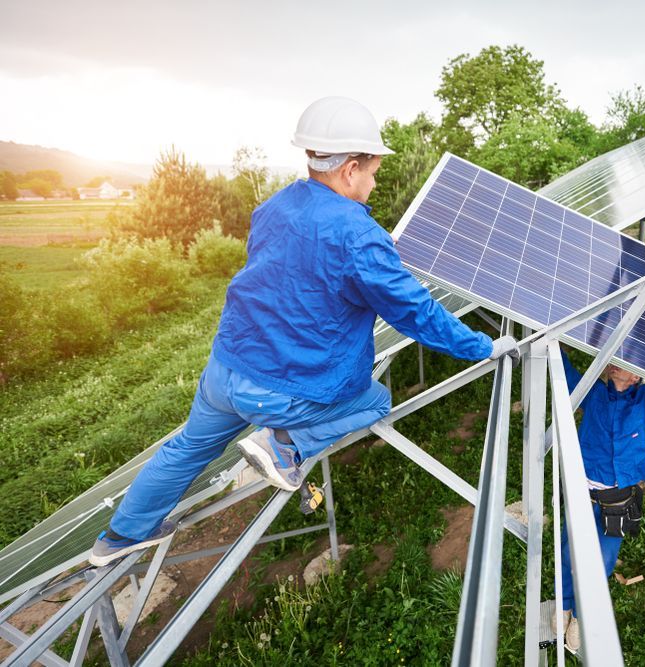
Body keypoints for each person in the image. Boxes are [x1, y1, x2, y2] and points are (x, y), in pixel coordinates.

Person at [89, 96, 520, 567]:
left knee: (188, 447)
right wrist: (482, 346)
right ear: (350, 169)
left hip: (227, 367)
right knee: (375, 399)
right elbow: (415, 312)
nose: (374, 182)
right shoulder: (357, 235)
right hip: (285, 391)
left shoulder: (275, 207)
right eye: (374, 171)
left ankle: (119, 537)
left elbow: (288, 274)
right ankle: (283, 444)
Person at [555, 348, 645, 652]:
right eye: (616, 360)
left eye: (628, 363)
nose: (617, 365)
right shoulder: (593, 394)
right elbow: (565, 372)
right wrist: (548, 336)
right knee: (567, 552)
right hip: (581, 496)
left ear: (639, 376)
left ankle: (581, 615)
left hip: (616, 502)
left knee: (602, 562)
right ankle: (562, 604)